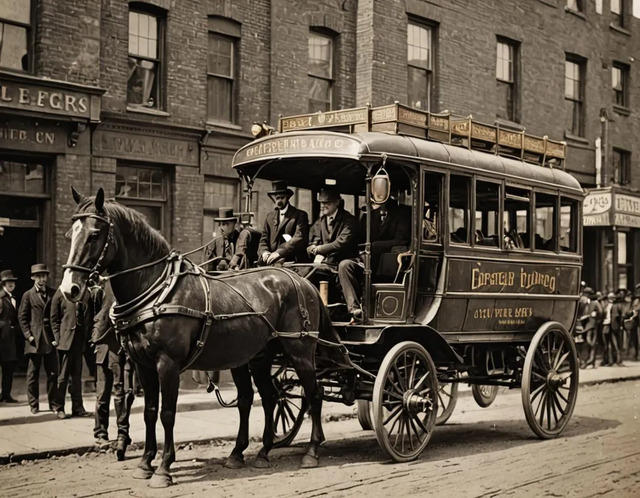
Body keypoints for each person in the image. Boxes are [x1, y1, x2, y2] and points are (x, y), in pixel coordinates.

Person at [338, 197, 410, 321]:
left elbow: (402, 239)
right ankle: (354, 309)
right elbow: (362, 238)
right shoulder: (369, 216)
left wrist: (376, 246)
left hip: (389, 261)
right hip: (367, 260)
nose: (373, 203)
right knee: (345, 265)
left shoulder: (401, 215)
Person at [91, 282, 134, 460]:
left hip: (120, 349)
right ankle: (100, 434)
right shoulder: (102, 289)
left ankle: (122, 435)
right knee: (102, 395)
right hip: (103, 346)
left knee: (121, 393)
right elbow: (93, 316)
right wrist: (94, 339)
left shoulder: (126, 285)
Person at [18, 264, 60, 415]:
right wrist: (28, 335)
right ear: (33, 278)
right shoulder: (27, 295)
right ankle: (33, 404)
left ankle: (54, 404)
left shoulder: (53, 293)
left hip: (50, 340)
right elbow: (22, 317)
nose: (42, 279)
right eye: (38, 276)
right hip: (34, 341)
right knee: (32, 374)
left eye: (44, 276)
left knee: (53, 373)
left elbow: (57, 316)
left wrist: (57, 337)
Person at [306, 189, 359, 302]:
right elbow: (313, 240)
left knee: (344, 266)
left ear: (337, 203)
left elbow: (340, 243)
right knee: (305, 272)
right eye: (321, 203)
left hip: (346, 260)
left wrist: (319, 249)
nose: (323, 206)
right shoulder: (320, 222)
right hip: (326, 264)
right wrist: (312, 247)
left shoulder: (349, 221)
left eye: (327, 203)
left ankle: (354, 309)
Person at [50, 288, 91, 418]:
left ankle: (78, 407)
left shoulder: (81, 293)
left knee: (76, 377)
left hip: (78, 342)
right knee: (62, 377)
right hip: (65, 343)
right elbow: (54, 319)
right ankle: (59, 407)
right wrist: (58, 338)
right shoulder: (60, 294)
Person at [258, 180, 309, 265]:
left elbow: (298, 239)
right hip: (270, 261)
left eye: (282, 198)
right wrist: (264, 252)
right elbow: (263, 239)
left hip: (291, 260)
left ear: (287, 197)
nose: (279, 201)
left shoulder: (300, 215)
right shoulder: (269, 217)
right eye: (277, 198)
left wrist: (279, 253)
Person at [0, 270, 20, 403]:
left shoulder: (12, 298)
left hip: (9, 340)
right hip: (1, 338)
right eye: (8, 282)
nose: (11, 284)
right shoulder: (0, 299)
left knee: (8, 367)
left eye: (13, 282)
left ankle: (6, 394)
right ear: (3, 284)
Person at [204, 207, 241, 272]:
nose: (220, 228)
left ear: (233, 224)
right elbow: (209, 270)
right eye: (219, 224)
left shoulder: (240, 240)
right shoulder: (215, 242)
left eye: (224, 224)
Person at [583, 287, 602, 369]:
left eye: (587, 294)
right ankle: (591, 361)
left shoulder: (595, 302)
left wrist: (597, 320)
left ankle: (590, 361)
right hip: (588, 323)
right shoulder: (588, 302)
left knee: (591, 342)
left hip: (593, 324)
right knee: (590, 342)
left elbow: (600, 312)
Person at [601, 292, 619, 366]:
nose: (610, 299)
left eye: (612, 298)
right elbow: (603, 314)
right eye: (609, 298)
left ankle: (615, 360)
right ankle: (607, 360)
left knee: (614, 344)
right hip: (606, 325)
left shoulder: (616, 306)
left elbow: (617, 316)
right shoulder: (606, 306)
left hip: (612, 326)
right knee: (606, 344)